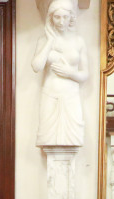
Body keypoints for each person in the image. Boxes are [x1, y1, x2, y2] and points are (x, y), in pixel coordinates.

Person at [31, 0, 87, 147]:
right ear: (51, 18)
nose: (61, 21)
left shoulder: (78, 41)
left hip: (71, 96)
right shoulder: (44, 41)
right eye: (57, 17)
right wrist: (50, 41)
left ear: (71, 17)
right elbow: (36, 66)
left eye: (65, 17)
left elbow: (85, 74)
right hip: (50, 94)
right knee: (48, 140)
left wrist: (70, 73)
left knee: (73, 140)